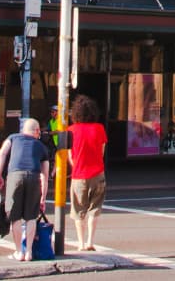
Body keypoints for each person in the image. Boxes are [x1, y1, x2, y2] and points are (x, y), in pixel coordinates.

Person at [0, 118, 52, 262]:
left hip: (15, 175)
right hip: (33, 177)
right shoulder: (42, 147)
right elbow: (45, 175)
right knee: (31, 217)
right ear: (37, 131)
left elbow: (2, 153)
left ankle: (19, 251)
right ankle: (29, 252)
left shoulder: (13, 138)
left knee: (15, 217)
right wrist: (43, 198)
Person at [65, 94, 108, 253]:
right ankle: (91, 241)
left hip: (78, 174)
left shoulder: (71, 130)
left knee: (78, 210)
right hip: (97, 173)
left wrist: (77, 165)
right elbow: (102, 152)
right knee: (94, 209)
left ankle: (81, 243)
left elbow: (71, 156)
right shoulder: (99, 128)